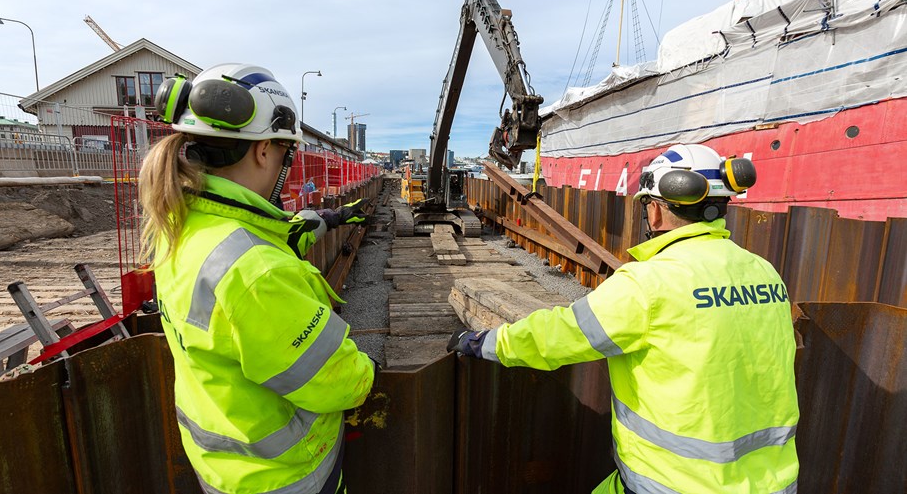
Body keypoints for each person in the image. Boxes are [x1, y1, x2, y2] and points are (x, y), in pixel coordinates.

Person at [448, 144, 799, 494]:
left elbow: (557, 336)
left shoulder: (649, 284)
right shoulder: (765, 274)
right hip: (775, 484)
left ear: (657, 212)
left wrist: (485, 342)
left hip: (671, 485)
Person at [139, 63, 375, 494]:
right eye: (287, 153)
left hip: (223, 465)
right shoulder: (254, 271)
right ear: (264, 150)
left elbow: (272, 235)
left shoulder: (179, 226)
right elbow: (336, 379)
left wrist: (333, 217)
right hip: (286, 476)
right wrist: (366, 369)